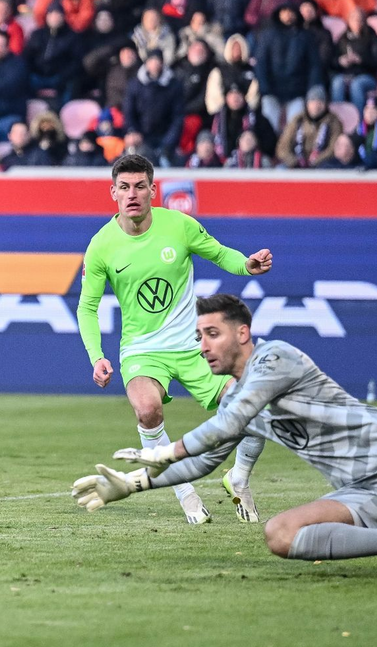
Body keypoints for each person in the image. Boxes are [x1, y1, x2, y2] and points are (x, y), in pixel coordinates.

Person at [74, 293, 377, 583]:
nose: (203, 347)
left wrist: (169, 451)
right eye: (199, 337)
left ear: (242, 333)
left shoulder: (275, 357)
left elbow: (230, 421)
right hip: (364, 489)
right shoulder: (236, 398)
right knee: (281, 533)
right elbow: (204, 462)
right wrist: (132, 484)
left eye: (212, 334)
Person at [77, 155, 273, 524]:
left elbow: (220, 253)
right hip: (142, 350)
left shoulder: (179, 225)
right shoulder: (101, 245)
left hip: (194, 347)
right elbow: (87, 307)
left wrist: (246, 265)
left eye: (139, 186)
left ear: (152, 190)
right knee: (147, 410)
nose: (132, 194)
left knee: (254, 406)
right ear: (113, 193)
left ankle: (239, 477)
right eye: (124, 187)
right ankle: (185, 492)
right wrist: (96, 356)